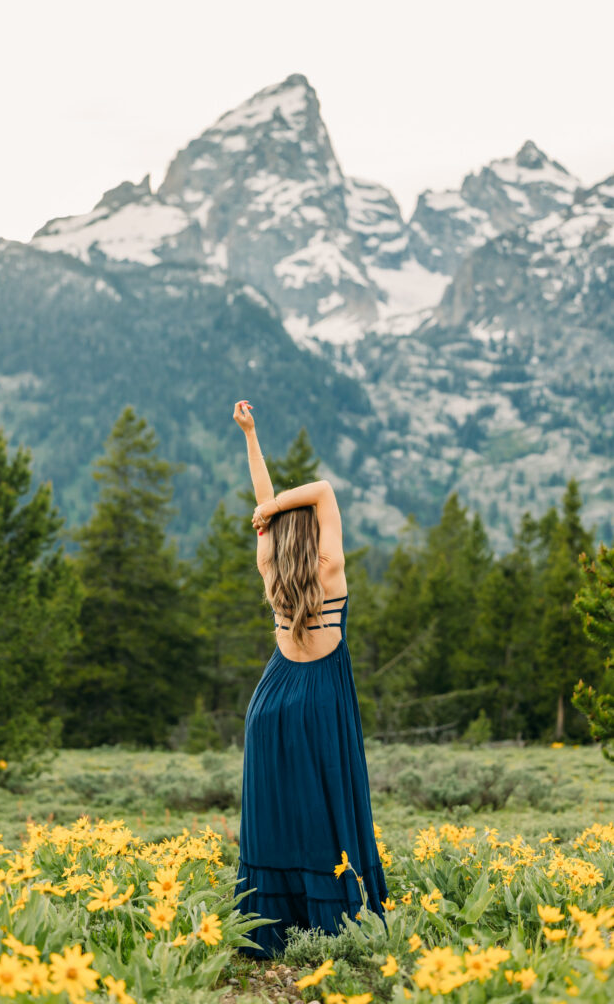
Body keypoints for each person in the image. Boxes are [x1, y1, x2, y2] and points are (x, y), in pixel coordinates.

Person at [232, 399, 389, 959]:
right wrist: (277, 501)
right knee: (325, 812)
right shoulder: (331, 570)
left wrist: (250, 435)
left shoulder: (269, 566)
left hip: (271, 701)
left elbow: (263, 508)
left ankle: (269, 932)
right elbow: (322, 489)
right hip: (320, 697)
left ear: (276, 535)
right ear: (316, 536)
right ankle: (333, 929)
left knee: (276, 813)